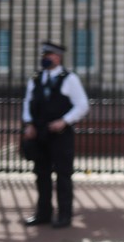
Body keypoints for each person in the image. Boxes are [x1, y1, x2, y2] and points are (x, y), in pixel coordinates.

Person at [21, 41, 90, 229]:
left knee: (63, 175)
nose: (44, 58)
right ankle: (43, 213)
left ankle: (64, 215)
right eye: (43, 55)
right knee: (41, 174)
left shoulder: (69, 78)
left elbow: (82, 105)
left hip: (60, 134)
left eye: (48, 55)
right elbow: (28, 102)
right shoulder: (35, 78)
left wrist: (65, 121)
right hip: (39, 132)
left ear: (57, 58)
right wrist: (28, 123)